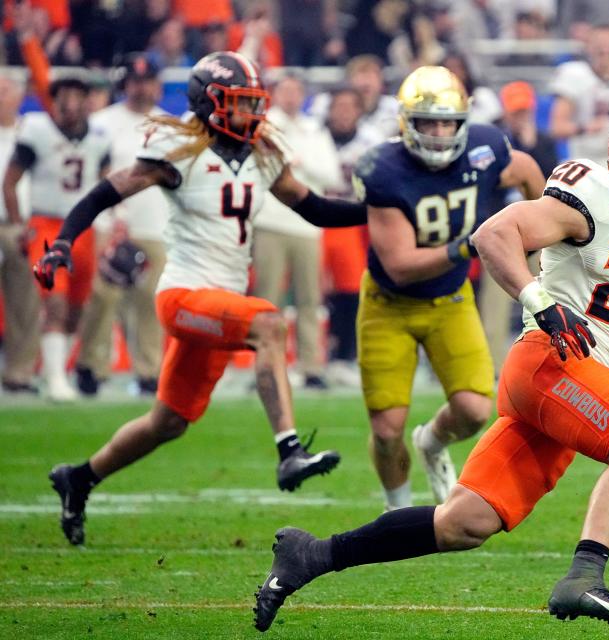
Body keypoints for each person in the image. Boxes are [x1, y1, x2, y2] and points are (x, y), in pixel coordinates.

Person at [251, 103, 609, 631]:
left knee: (463, 523)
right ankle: (585, 575)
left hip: (582, 379)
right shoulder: (597, 195)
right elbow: (494, 234)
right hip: (550, 360)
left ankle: (312, 556)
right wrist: (539, 299)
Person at [33, 52, 368, 546]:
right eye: (240, 103)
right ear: (209, 104)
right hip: (186, 295)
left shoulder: (261, 151)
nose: (250, 114)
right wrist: (64, 240)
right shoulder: (180, 149)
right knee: (271, 324)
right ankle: (289, 450)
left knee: (168, 422)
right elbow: (107, 192)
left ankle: (79, 478)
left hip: (222, 305)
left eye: (255, 103)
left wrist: (373, 208)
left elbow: (314, 209)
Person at [349, 66, 544, 509]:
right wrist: (467, 246)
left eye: (447, 123)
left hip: (450, 300)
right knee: (385, 428)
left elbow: (529, 171)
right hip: (388, 305)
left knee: (475, 410)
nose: (439, 133)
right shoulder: (382, 168)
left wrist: (540, 235)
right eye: (428, 122)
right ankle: (397, 509)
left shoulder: (484, 146)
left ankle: (433, 440)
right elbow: (399, 266)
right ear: (406, 122)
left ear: (463, 122)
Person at [2, 76, 112, 402]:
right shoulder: (36, 130)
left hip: (84, 228)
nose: (72, 103)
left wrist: (111, 223)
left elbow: (107, 187)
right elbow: (10, 182)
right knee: (55, 300)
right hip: (47, 223)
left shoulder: (99, 137)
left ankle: (57, 371)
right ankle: (55, 381)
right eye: (65, 96)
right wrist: (22, 224)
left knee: (78, 307)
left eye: (78, 95)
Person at [74, 53, 170, 397]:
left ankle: (148, 371)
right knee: (103, 297)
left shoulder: (170, 126)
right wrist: (113, 218)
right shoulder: (102, 122)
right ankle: (91, 366)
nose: (142, 88)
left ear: (157, 84)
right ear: (124, 84)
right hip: (109, 224)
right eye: (135, 81)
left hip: (156, 222)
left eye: (147, 81)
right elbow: (93, 175)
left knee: (152, 300)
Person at [252, 73, 343, 389]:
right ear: (276, 94)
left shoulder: (314, 130)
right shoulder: (263, 128)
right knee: (267, 300)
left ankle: (310, 366)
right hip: (271, 221)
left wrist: (297, 163)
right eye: (285, 91)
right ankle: (264, 366)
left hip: (307, 225)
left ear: (302, 94)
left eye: (295, 91)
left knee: (309, 299)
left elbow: (333, 175)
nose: (291, 97)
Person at [321, 85, 384, 387]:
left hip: (353, 220)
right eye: (339, 106)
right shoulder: (313, 136)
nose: (344, 113)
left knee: (350, 288)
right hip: (314, 218)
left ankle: (345, 354)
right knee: (312, 290)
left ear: (359, 110)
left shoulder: (372, 139)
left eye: (350, 106)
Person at [549, 24, 609, 164]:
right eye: (600, 46)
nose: (605, 50)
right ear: (589, 47)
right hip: (581, 162)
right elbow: (557, 128)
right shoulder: (574, 74)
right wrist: (585, 127)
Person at [0, 74, 41, 395]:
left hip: (21, 224)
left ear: (18, 95)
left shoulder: (32, 131)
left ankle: (20, 372)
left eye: (3, 91)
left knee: (25, 302)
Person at [309, 54, 399, 139]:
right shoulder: (326, 102)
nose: (366, 82)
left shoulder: (395, 107)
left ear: (382, 83)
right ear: (348, 81)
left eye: (372, 76)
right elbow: (311, 131)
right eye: (361, 75)